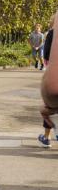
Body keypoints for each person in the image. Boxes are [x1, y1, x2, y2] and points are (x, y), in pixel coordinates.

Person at [38, 16, 55, 147]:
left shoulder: (51, 33)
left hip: (54, 75)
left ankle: (47, 137)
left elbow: (47, 54)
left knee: (48, 106)